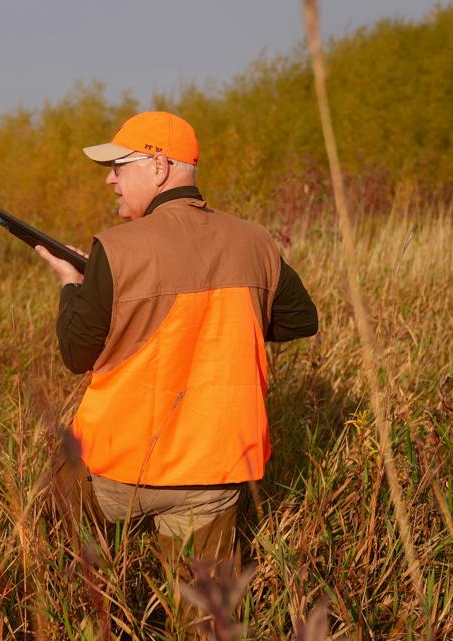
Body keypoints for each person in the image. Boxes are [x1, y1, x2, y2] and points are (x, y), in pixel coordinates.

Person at [35, 111, 318, 616]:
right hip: (212, 475)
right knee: (205, 618)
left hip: (114, 473)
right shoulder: (254, 240)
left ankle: (94, 614)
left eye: (118, 167)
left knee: (52, 536)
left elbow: (76, 353)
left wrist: (71, 284)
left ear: (159, 166)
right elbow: (301, 319)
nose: (110, 180)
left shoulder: (115, 249)